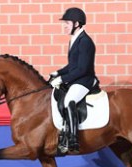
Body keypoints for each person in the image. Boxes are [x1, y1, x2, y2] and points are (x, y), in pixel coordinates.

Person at [49, 7, 99, 153]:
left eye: (67, 23)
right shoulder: (75, 39)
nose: (64, 26)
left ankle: (72, 139)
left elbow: (82, 69)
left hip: (85, 80)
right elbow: (72, 65)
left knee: (69, 100)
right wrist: (58, 72)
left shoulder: (85, 42)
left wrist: (62, 79)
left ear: (76, 24)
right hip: (77, 78)